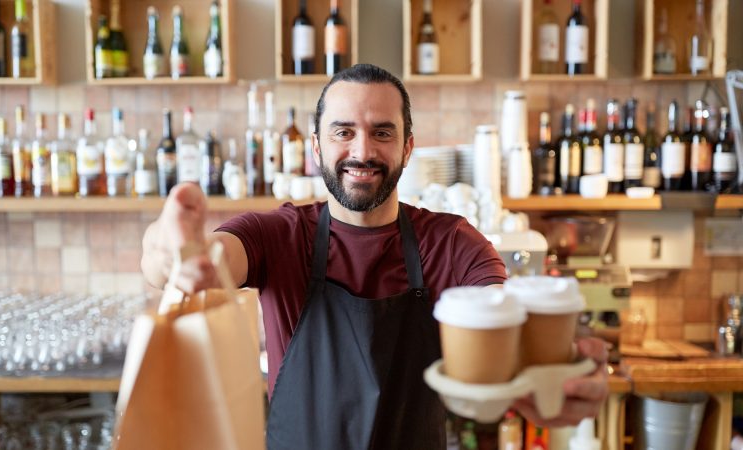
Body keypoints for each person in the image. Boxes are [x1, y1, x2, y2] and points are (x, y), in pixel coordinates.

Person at [141, 63, 609, 449]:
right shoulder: (278, 234)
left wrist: (546, 371)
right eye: (344, 131)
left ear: (407, 148)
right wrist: (176, 254)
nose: (362, 151)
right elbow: (184, 261)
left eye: (382, 133)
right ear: (317, 147)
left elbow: (503, 309)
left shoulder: (450, 243)